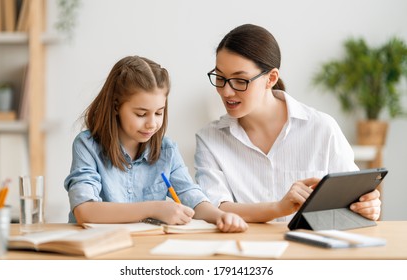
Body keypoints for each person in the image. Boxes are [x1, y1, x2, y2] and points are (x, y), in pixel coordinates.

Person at [194, 24, 381, 223]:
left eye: (240, 80)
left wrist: (367, 206)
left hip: (310, 252)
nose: (226, 92)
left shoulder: (322, 129)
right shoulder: (210, 139)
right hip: (244, 250)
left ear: (271, 78)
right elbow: (217, 209)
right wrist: (278, 208)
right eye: (220, 78)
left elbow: (351, 202)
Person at [64, 55, 248, 233]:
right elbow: (84, 211)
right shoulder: (87, 146)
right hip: (96, 249)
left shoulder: (166, 149)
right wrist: (154, 209)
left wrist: (219, 216)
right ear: (116, 106)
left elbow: (190, 194)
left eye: (159, 113)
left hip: (146, 248)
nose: (152, 124)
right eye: (141, 114)